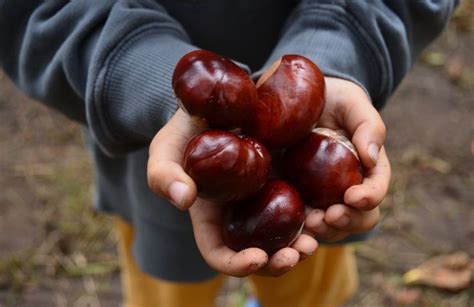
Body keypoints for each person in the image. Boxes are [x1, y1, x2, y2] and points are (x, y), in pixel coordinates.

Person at [0, 1, 457, 306]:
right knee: (168, 290)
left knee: (310, 284)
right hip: (153, 169)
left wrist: (343, 44)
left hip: (306, 192)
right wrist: (136, 70)